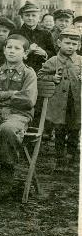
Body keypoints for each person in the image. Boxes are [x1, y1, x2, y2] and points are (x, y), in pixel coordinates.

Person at [0, 34, 37, 191]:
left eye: (17, 48)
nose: (12, 51)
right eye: (9, 47)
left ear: (25, 53)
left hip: (19, 115)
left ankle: (7, 169)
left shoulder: (29, 74)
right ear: (4, 51)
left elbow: (28, 100)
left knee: (8, 129)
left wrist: (1, 95)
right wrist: (12, 94)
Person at [38, 26, 81, 169]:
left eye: (74, 44)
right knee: (60, 130)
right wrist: (52, 77)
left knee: (75, 129)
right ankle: (60, 158)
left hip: (76, 103)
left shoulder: (80, 61)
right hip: (59, 103)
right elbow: (40, 76)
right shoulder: (53, 61)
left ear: (79, 45)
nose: (71, 47)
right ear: (59, 43)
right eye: (67, 43)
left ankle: (71, 155)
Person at [10, 1, 55, 73]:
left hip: (41, 72)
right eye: (27, 15)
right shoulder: (15, 33)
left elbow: (53, 53)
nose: (30, 18)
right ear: (22, 17)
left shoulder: (46, 33)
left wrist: (44, 53)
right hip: (20, 71)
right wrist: (28, 51)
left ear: (39, 18)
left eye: (34, 15)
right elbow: (10, 53)